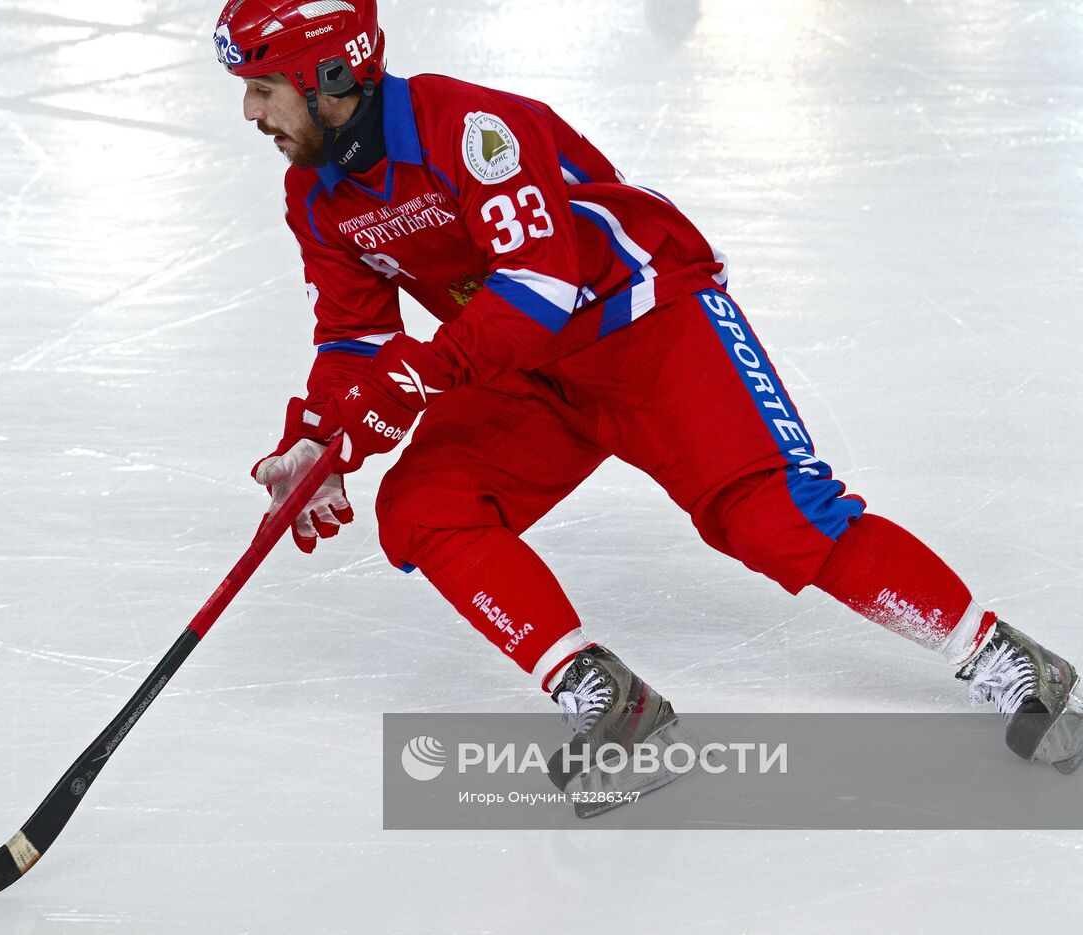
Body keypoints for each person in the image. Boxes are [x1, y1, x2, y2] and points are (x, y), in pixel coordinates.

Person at [213, 0, 1082, 806]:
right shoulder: (314, 193)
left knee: (771, 515)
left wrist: (422, 375)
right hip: (524, 369)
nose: (251, 112)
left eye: (264, 87)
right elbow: (353, 336)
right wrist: (319, 438)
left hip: (645, 324)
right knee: (422, 505)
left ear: (333, 74)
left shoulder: (471, 128)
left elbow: (541, 286)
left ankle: (1001, 657)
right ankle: (606, 697)